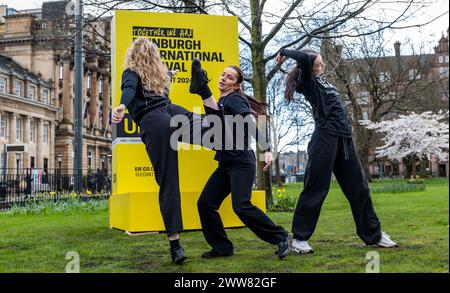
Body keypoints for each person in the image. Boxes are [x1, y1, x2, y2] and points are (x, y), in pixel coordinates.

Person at [111, 37, 223, 264]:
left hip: (161, 116)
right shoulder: (140, 74)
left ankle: (176, 246)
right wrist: (123, 104)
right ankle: (176, 246)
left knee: (170, 181)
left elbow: (134, 88)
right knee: (212, 131)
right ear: (152, 55)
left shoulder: (145, 74)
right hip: (163, 116)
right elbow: (129, 89)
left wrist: (124, 105)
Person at [276, 48, 397, 254]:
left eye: (322, 63)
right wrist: (283, 52)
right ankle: (299, 238)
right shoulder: (308, 82)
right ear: (309, 68)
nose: (322, 66)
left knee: (359, 188)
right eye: (318, 64)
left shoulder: (326, 83)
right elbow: (304, 58)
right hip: (325, 139)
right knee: (316, 187)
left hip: (345, 140)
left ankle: (373, 235)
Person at [194, 62, 291, 260]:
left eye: (229, 77)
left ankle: (281, 237)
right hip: (226, 164)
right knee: (205, 203)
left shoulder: (234, 100)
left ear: (237, 85)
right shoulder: (222, 103)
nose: (223, 78)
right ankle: (222, 247)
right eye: (223, 75)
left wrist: (266, 149)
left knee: (241, 206)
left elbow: (249, 121)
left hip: (241, 163)